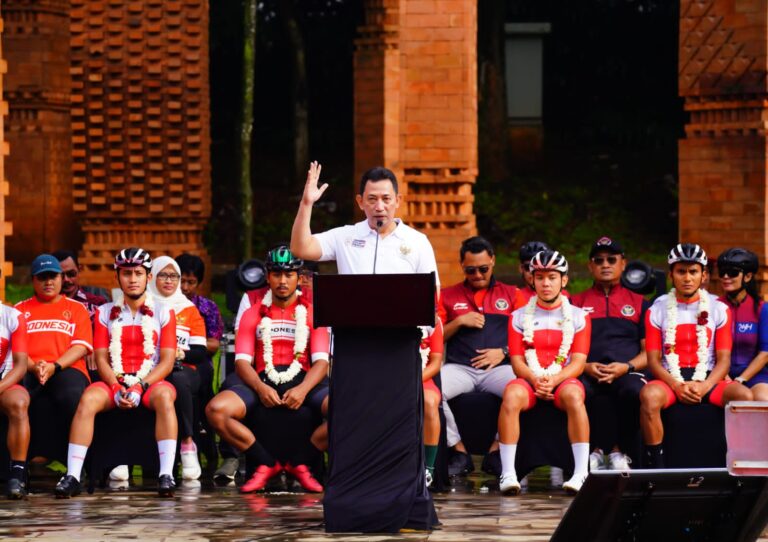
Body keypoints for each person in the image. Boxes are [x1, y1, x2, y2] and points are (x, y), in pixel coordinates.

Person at [54, 248, 178, 498]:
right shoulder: (104, 312)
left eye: (138, 273)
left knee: (166, 398)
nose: (132, 279)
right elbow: (100, 357)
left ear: (148, 277)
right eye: (126, 274)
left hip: (150, 382)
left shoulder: (165, 312)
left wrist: (139, 386)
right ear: (117, 277)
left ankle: (166, 474)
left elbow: (166, 361)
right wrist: (116, 386)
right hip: (114, 381)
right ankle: (73, 475)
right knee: (87, 399)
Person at [205, 246, 330, 493]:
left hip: (304, 379)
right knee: (216, 410)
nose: (282, 281)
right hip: (262, 378)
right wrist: (261, 388)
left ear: (298, 276)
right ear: (267, 275)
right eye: (276, 274)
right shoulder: (253, 312)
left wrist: (304, 390)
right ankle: (264, 462)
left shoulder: (313, 312)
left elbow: (322, 362)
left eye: (289, 274)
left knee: (349, 412)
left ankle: (301, 463)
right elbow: (241, 361)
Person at [640, 243, 753, 468]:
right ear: (671, 274)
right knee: (649, 396)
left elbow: (724, 360)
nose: (688, 278)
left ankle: (740, 464)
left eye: (693, 271)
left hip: (708, 376)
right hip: (670, 377)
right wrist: (676, 385)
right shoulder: (657, 308)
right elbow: (653, 360)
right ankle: (658, 468)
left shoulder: (719, 308)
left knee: (744, 396)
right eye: (681, 271)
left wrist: (705, 385)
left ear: (703, 275)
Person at [499, 250, 591, 495]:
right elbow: (517, 361)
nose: (546, 283)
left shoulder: (579, 316)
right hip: (531, 378)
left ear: (564, 280)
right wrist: (536, 379)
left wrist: (554, 380)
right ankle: (508, 473)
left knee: (573, 396)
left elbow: (579, 362)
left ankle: (581, 472)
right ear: (532, 280)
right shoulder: (518, 316)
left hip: (564, 378)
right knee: (511, 395)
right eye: (540, 277)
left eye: (552, 277)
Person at [437, 236, 518, 476]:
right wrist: (459, 322)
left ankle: (496, 450)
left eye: (483, 269)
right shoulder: (447, 295)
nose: (478, 275)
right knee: (429, 391)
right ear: (462, 266)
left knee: (523, 388)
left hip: (500, 368)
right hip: (459, 368)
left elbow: (529, 336)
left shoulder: (513, 294)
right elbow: (436, 336)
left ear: (493, 261)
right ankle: (458, 451)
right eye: (471, 270)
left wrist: (503, 351)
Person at [571, 237, 649, 471]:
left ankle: (620, 451)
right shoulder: (575, 303)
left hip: (627, 370)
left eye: (611, 259)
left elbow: (649, 353)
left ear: (623, 264)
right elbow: (565, 347)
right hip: (586, 368)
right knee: (576, 391)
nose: (605, 264)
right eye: (599, 260)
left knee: (633, 390)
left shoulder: (640, 303)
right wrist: (584, 366)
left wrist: (626, 367)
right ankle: (592, 451)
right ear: (590, 266)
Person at [290, 161, 439, 283]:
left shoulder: (418, 241)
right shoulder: (345, 236)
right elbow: (300, 248)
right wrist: (306, 203)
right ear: (360, 202)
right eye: (372, 199)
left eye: (386, 199)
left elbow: (432, 295)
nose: (379, 207)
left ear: (398, 201)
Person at [15, 254, 93, 448]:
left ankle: (76, 462)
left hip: (67, 367)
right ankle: (16, 466)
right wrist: (34, 367)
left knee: (71, 395)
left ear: (61, 278)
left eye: (53, 276)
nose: (48, 282)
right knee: (13, 398)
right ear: (33, 280)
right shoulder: (19, 310)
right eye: (42, 277)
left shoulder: (76, 308)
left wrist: (54, 366)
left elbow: (80, 346)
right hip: (28, 368)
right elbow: (17, 349)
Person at [148, 256, 208, 480]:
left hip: (184, 368)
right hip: (149, 369)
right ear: (152, 276)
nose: (169, 281)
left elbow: (201, 352)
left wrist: (179, 354)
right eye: (163, 275)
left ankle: (187, 443)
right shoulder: (144, 306)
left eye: (174, 276)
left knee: (178, 378)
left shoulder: (189, 309)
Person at [717, 248, 768, 401]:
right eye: (722, 272)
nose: (726, 277)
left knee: (764, 399)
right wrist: (725, 377)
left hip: (755, 375)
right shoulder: (713, 307)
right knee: (739, 397)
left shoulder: (762, 308)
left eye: (732, 272)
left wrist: (741, 379)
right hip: (720, 374)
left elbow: (765, 354)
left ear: (747, 276)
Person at [0, 303, 31, 499]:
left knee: (20, 402)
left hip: (4, 382)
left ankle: (17, 474)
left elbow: (20, 366)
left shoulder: (12, 316)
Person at [52, 250, 109, 320]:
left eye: (71, 274)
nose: (66, 279)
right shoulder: (46, 306)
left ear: (79, 269)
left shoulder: (98, 304)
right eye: (61, 276)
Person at [420, 319, 444, 488]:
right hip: (387, 376)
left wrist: (412, 381)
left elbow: (436, 363)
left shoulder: (432, 319)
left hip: (420, 376)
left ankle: (428, 468)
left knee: (429, 401)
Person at [515, 241, 552, 307]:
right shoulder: (514, 297)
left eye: (539, 267)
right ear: (521, 268)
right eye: (529, 267)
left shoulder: (563, 295)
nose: (533, 272)